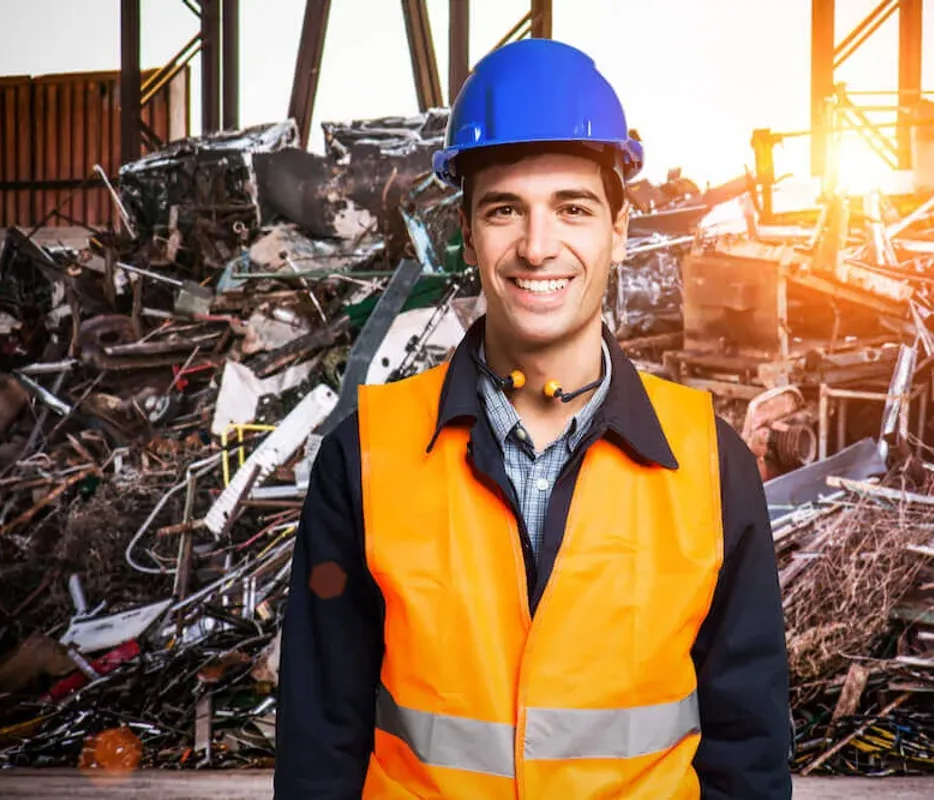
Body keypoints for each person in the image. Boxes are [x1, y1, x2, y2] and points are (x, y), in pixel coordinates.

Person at [273, 37, 792, 800]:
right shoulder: (366, 459)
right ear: (466, 233)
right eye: (504, 210)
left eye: (572, 209)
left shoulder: (710, 466)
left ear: (619, 229)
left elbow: (748, 750)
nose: (537, 247)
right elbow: (321, 740)